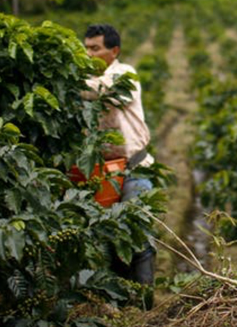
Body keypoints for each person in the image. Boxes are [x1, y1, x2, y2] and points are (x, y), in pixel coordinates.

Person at [82, 23, 156, 305]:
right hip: (101, 174)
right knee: (107, 241)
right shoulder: (86, 80)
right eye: (86, 48)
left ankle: (145, 305)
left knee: (137, 237)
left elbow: (103, 91)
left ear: (114, 51)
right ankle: (116, 304)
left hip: (132, 169)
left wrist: (64, 80)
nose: (89, 54)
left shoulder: (124, 75)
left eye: (95, 49)